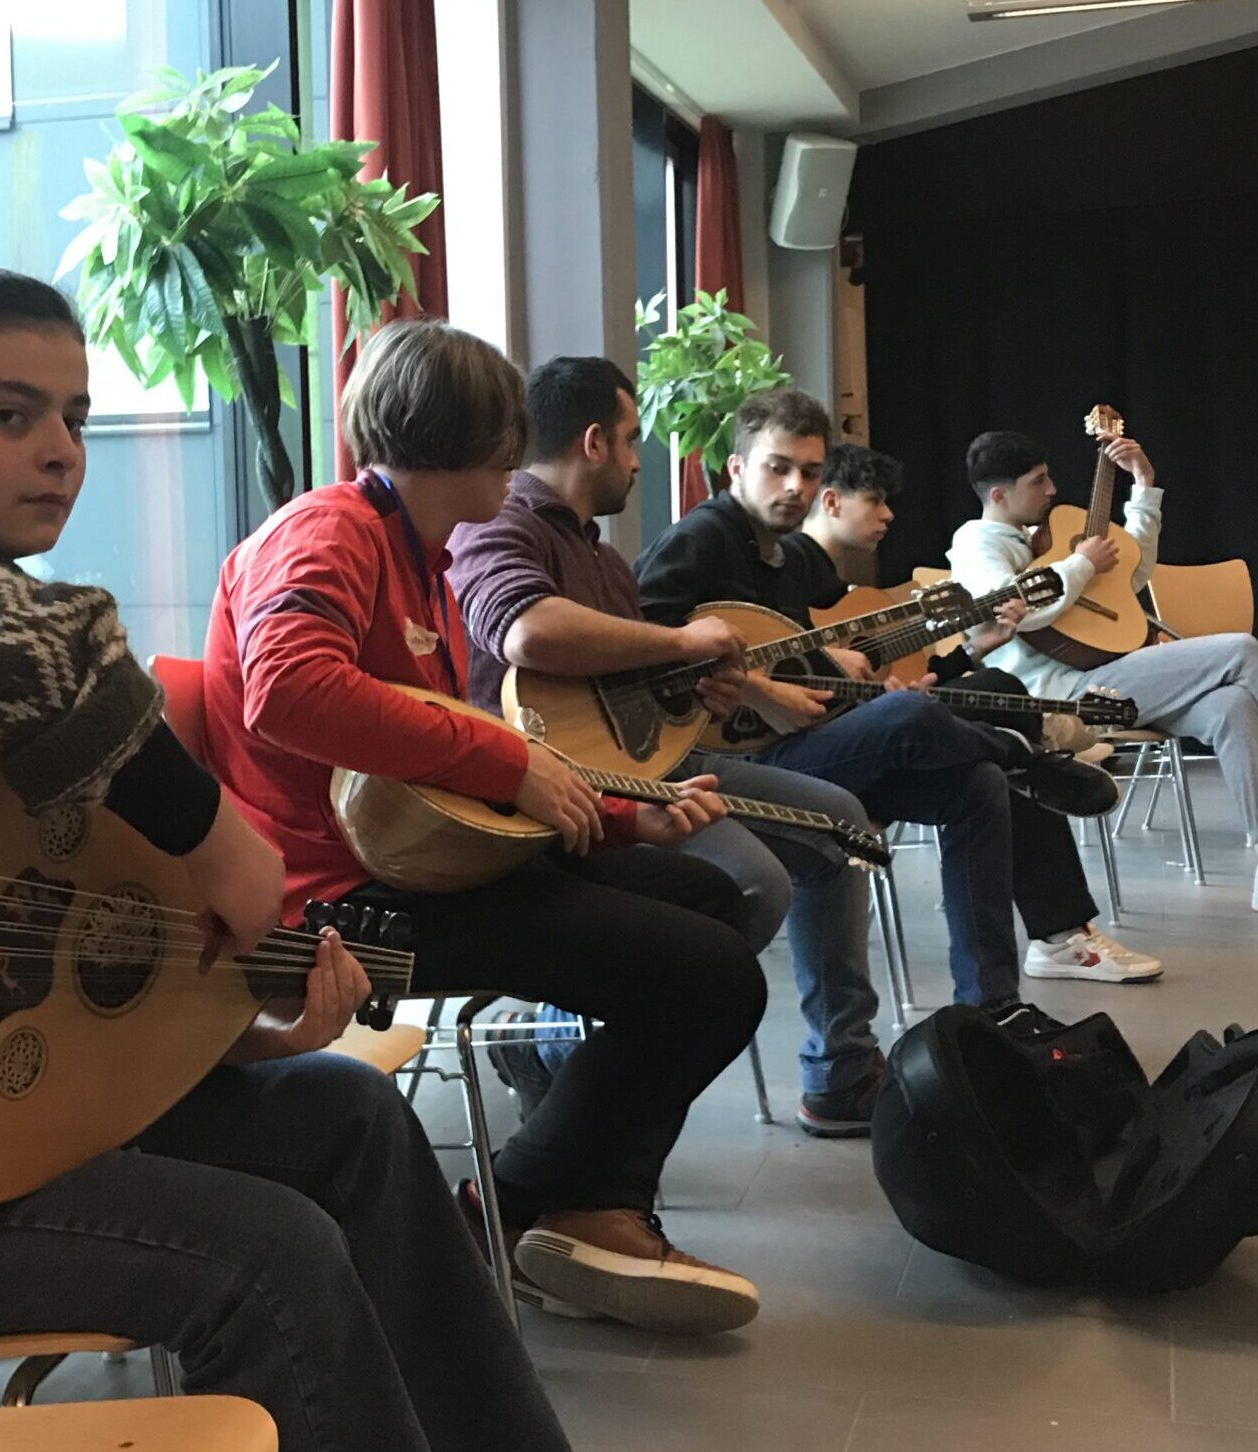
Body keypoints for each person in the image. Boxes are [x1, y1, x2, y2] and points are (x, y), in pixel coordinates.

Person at [0, 253, 572, 1452]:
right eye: (9, 415)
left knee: (350, 1115)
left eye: (73, 418)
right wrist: (221, 844)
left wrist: (241, 1022)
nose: (61, 452)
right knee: (266, 1256)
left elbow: (39, 949)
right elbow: (25, 642)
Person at [197, 319, 766, 1334]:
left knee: (711, 900)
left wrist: (618, 817)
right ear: (471, 439)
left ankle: (576, 1198)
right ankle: (522, 1206)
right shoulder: (326, 532)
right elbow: (288, 690)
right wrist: (512, 765)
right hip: (337, 901)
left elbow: (439, 768)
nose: (518, 456)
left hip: (416, 865)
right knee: (713, 977)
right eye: (506, 436)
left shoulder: (418, 556)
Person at [447, 355, 887, 1136]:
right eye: (628, 440)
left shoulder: (601, 557)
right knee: (752, 886)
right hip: (555, 784)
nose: (635, 459)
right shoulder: (503, 524)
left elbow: (638, 691)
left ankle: (839, 1067)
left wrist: (699, 691)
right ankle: (555, 1037)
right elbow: (526, 631)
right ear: (592, 443)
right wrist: (683, 645)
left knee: (840, 823)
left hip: (648, 764)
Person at [634, 387, 1112, 1030]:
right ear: (738, 467)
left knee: (977, 785)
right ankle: (1027, 755)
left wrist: (879, 674)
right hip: (726, 764)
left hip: (801, 745)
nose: (796, 486)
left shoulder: (784, 557)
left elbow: (814, 662)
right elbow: (647, 643)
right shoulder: (701, 539)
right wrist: (757, 690)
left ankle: (993, 1006)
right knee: (911, 717)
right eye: (778, 467)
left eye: (809, 471)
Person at [949, 428, 1258, 925]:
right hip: (1062, 695)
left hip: (1107, 673)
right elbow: (1010, 609)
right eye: (1037, 481)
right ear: (999, 495)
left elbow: (1129, 575)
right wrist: (1079, 565)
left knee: (1232, 706)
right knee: (1239, 649)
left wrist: (1143, 487)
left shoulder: (1043, 537)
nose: (1051, 489)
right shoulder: (975, 542)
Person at [800, 443, 1161, 983]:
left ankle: (1053, 944)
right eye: (875, 501)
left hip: (880, 733)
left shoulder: (838, 590)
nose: (889, 514)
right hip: (816, 753)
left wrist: (972, 650)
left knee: (994, 709)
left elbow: (912, 679)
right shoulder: (783, 580)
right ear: (831, 502)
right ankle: (1034, 753)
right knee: (975, 745)